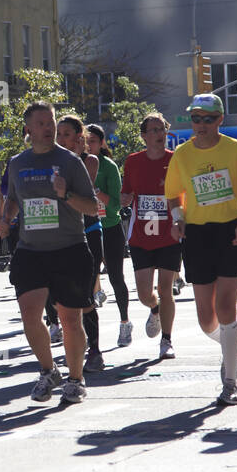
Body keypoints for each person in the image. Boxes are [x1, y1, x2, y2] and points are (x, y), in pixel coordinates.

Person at [165, 93, 237, 406]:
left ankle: (231, 381)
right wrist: (178, 220)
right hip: (197, 235)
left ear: (220, 119)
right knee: (205, 319)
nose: (202, 125)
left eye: (208, 119)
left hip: (232, 231)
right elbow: (173, 196)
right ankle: (230, 342)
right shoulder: (181, 155)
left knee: (225, 306)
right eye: (196, 118)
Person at [0, 102, 99, 404]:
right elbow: (13, 200)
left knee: (69, 319)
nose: (48, 127)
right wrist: (6, 220)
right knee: (30, 314)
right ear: (28, 129)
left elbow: (93, 206)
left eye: (51, 121)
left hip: (68, 247)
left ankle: (76, 378)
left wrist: (65, 194)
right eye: (41, 123)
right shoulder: (17, 163)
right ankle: (48, 371)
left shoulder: (69, 161)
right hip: (31, 250)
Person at [120, 112, 180, 360]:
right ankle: (154, 309)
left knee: (166, 288)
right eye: (153, 130)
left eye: (162, 130)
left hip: (169, 233)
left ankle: (166, 340)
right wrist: (124, 199)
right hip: (142, 235)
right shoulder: (133, 161)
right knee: (145, 293)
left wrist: (181, 219)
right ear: (144, 136)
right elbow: (126, 193)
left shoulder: (176, 160)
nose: (159, 135)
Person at [56, 115, 104, 369]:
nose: (61, 139)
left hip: (87, 232)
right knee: (61, 301)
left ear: (79, 137)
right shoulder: (47, 162)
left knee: (84, 296)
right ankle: (74, 345)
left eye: (66, 134)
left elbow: (87, 192)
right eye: (58, 134)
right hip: (55, 236)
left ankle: (95, 351)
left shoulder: (88, 161)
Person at [85, 124, 132, 347]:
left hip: (110, 227)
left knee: (115, 277)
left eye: (93, 140)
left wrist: (95, 191)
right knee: (83, 283)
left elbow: (115, 205)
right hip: (86, 229)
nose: (88, 144)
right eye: (85, 140)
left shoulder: (109, 166)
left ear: (102, 143)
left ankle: (125, 322)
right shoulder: (77, 165)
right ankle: (88, 337)